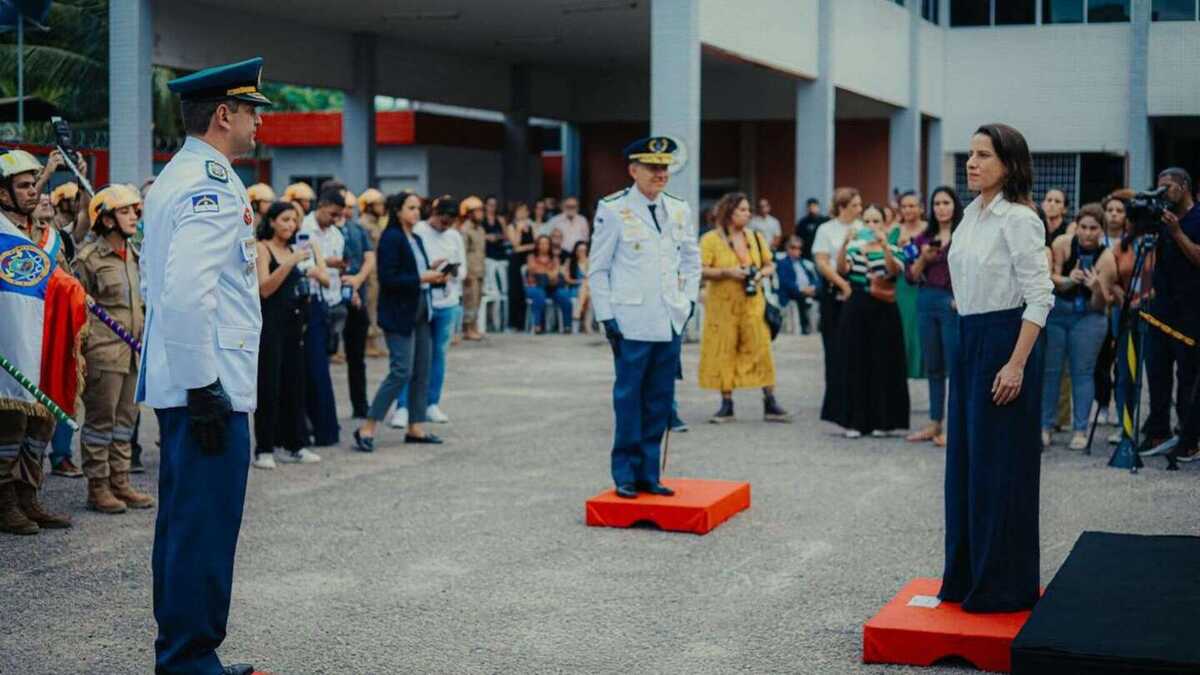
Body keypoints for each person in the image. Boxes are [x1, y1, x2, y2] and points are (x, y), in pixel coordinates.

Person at [138, 57, 272, 674]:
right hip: (206, 385)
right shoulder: (212, 184)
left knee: (186, 524)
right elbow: (189, 291)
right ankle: (190, 660)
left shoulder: (180, 175)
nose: (258, 125)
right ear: (224, 114)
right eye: (252, 112)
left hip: (193, 380)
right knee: (203, 529)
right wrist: (206, 387)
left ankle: (184, 653)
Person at [940, 123, 1052, 613]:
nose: (972, 162)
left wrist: (1016, 364)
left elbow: (1040, 295)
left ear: (1008, 163)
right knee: (965, 465)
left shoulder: (1020, 219)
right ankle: (967, 576)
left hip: (1006, 343)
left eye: (983, 155)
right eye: (970, 154)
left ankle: (1003, 585)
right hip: (969, 340)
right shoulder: (970, 216)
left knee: (1000, 468)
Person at [590, 136, 700, 499]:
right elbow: (598, 269)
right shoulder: (613, 209)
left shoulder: (679, 209)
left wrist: (687, 302)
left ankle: (649, 473)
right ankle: (624, 473)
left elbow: (691, 260)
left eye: (664, 167)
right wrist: (607, 317)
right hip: (631, 320)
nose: (660, 174)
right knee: (628, 398)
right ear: (632, 170)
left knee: (659, 399)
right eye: (652, 167)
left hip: (669, 318)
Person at [0, 148, 85, 536]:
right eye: (24, 185)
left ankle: (28, 495)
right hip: (14, 344)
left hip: (49, 343)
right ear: (4, 194)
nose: (34, 191)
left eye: (36, 183)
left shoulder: (49, 236)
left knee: (42, 428)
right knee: (10, 428)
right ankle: (4, 503)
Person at [74, 185, 155, 513]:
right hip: (104, 352)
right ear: (106, 220)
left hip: (133, 352)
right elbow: (76, 310)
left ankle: (120, 481)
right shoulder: (89, 260)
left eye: (136, 210)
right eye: (126, 211)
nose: (135, 216)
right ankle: (98, 486)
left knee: (126, 421)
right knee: (100, 422)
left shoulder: (135, 256)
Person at [353, 192, 446, 451]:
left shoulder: (415, 238)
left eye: (419, 208)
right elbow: (389, 278)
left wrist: (434, 272)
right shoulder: (391, 238)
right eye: (412, 208)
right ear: (398, 211)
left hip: (421, 310)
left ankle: (415, 426)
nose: (417, 212)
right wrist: (422, 278)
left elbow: (415, 272)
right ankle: (367, 427)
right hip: (399, 313)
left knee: (421, 370)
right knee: (401, 371)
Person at [699, 192, 792, 423]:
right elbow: (700, 269)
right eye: (742, 209)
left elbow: (770, 265)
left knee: (761, 348)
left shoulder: (756, 237)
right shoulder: (710, 239)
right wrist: (727, 273)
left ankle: (770, 401)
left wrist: (760, 274)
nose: (748, 214)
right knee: (724, 350)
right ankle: (726, 404)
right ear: (729, 212)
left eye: (748, 209)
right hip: (722, 306)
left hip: (752, 303)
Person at [821, 203, 909, 437]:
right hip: (857, 306)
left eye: (876, 221)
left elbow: (893, 272)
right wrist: (844, 244)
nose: (871, 226)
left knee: (884, 363)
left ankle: (883, 421)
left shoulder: (892, 247)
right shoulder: (854, 247)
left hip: (884, 309)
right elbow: (842, 270)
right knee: (855, 362)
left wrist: (884, 246)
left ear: (884, 224)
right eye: (867, 221)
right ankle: (854, 421)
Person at [252, 202, 329, 470]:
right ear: (272, 221)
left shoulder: (297, 249)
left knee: (295, 384)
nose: (289, 225)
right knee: (269, 385)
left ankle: (295, 443)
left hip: (296, 323)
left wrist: (314, 260)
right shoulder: (262, 248)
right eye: (284, 219)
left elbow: (324, 279)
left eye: (294, 221)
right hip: (271, 324)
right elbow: (265, 288)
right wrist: (290, 262)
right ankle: (264, 447)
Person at [1042, 203, 1115, 450]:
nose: (1087, 233)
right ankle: (1045, 426)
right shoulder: (1062, 243)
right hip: (1058, 311)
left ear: (1101, 230)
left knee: (1082, 372)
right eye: (1083, 227)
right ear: (1076, 227)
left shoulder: (1107, 257)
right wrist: (1067, 280)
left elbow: (1099, 305)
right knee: (1051, 371)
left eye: (1093, 228)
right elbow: (1050, 280)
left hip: (1088, 317)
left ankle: (1080, 430)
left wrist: (1095, 287)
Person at [1143, 168, 1200, 461]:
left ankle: (1189, 437)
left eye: (1167, 187)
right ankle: (1158, 431)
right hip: (1161, 309)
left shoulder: (1196, 218)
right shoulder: (1161, 218)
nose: (1162, 192)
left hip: (1191, 311)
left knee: (1188, 375)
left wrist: (1177, 232)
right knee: (1157, 372)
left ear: (1184, 186)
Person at [394, 197, 465, 427]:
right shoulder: (419, 231)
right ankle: (403, 406)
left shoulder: (454, 236)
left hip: (447, 301)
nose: (444, 227)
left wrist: (451, 270)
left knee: (438, 355)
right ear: (433, 213)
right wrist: (431, 267)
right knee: (411, 355)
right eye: (442, 221)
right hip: (423, 299)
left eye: (449, 223)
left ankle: (431, 403)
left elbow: (463, 270)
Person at [905, 187, 963, 447]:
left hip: (952, 301)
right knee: (933, 365)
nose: (941, 207)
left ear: (955, 205)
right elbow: (910, 276)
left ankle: (955, 426)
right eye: (937, 203)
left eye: (946, 202)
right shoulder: (922, 238)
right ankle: (934, 421)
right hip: (926, 299)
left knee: (955, 365)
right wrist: (923, 260)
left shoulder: (964, 235)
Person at [297, 189, 344, 447]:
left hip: (327, 302)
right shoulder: (303, 228)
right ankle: (315, 427)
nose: (335, 219)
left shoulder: (336, 234)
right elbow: (304, 265)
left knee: (321, 367)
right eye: (332, 214)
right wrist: (326, 265)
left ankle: (323, 427)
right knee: (312, 370)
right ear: (322, 205)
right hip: (306, 302)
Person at [814, 187, 862, 424]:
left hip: (857, 287)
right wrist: (842, 284)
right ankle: (834, 404)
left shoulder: (862, 228)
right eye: (854, 205)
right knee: (833, 348)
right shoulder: (826, 229)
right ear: (842, 207)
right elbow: (822, 262)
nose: (859, 209)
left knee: (855, 348)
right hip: (834, 291)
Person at [340, 192, 377, 419]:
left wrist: (357, 280)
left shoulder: (357, 229)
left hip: (357, 298)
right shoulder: (326, 230)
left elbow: (369, 257)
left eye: (352, 208)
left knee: (357, 358)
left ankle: (360, 405)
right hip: (333, 298)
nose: (348, 211)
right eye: (345, 207)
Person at [894, 191, 927, 380]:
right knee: (904, 329)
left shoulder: (929, 230)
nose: (908, 210)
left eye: (912, 205)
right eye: (904, 206)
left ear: (921, 208)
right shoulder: (895, 231)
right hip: (901, 288)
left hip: (925, 286)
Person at [358, 188, 387, 358]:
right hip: (369, 273)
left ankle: (374, 342)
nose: (382, 207)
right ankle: (368, 343)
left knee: (375, 307)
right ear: (369, 206)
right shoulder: (364, 224)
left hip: (378, 272)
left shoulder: (376, 223)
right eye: (379, 204)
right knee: (369, 307)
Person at [525, 235, 574, 334]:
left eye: (546, 243)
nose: (544, 245)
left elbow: (555, 274)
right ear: (537, 245)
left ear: (550, 245)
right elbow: (533, 270)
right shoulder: (531, 257)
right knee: (539, 294)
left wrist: (546, 273)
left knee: (564, 295)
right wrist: (548, 272)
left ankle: (567, 326)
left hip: (551, 287)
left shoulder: (555, 258)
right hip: (534, 286)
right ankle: (537, 326)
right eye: (541, 243)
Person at [776, 235, 821, 335]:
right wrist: (802, 290)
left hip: (808, 294)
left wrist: (812, 288)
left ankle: (813, 331)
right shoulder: (782, 263)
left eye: (799, 248)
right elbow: (785, 282)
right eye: (793, 247)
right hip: (793, 296)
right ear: (787, 248)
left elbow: (817, 280)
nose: (796, 251)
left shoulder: (806, 263)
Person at [459, 195, 486, 340]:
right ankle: (468, 328)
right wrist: (466, 272)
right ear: (469, 213)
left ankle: (474, 326)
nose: (481, 214)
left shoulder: (480, 229)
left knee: (477, 300)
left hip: (480, 268)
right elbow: (462, 252)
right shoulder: (465, 230)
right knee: (470, 300)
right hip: (470, 271)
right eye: (477, 211)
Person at [507, 202, 537, 330]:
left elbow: (536, 243)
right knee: (516, 292)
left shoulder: (532, 226)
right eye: (520, 211)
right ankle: (514, 323)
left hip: (529, 260)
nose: (523, 213)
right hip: (516, 262)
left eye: (525, 211)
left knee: (528, 291)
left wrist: (526, 247)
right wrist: (519, 229)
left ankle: (527, 323)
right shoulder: (511, 226)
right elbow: (515, 246)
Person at [483, 194, 510, 327]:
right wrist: (487, 237)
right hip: (487, 256)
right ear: (485, 205)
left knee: (504, 289)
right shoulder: (482, 220)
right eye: (490, 205)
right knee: (493, 290)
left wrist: (497, 236)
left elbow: (506, 236)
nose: (492, 208)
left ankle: (502, 322)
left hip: (500, 255)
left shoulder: (500, 219)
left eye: (494, 205)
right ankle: (492, 321)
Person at [563, 241, 591, 332]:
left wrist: (587, 262)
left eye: (584, 250)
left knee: (588, 291)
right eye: (580, 250)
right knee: (586, 290)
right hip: (574, 288)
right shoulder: (570, 261)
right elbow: (567, 279)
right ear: (575, 251)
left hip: (588, 289)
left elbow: (591, 278)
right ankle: (586, 325)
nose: (582, 253)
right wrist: (580, 281)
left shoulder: (590, 261)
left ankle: (577, 316)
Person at [794, 197, 827, 262]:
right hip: (806, 254)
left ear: (818, 207)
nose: (812, 208)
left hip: (821, 253)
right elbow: (798, 238)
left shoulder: (824, 221)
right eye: (810, 206)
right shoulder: (802, 222)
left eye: (814, 206)